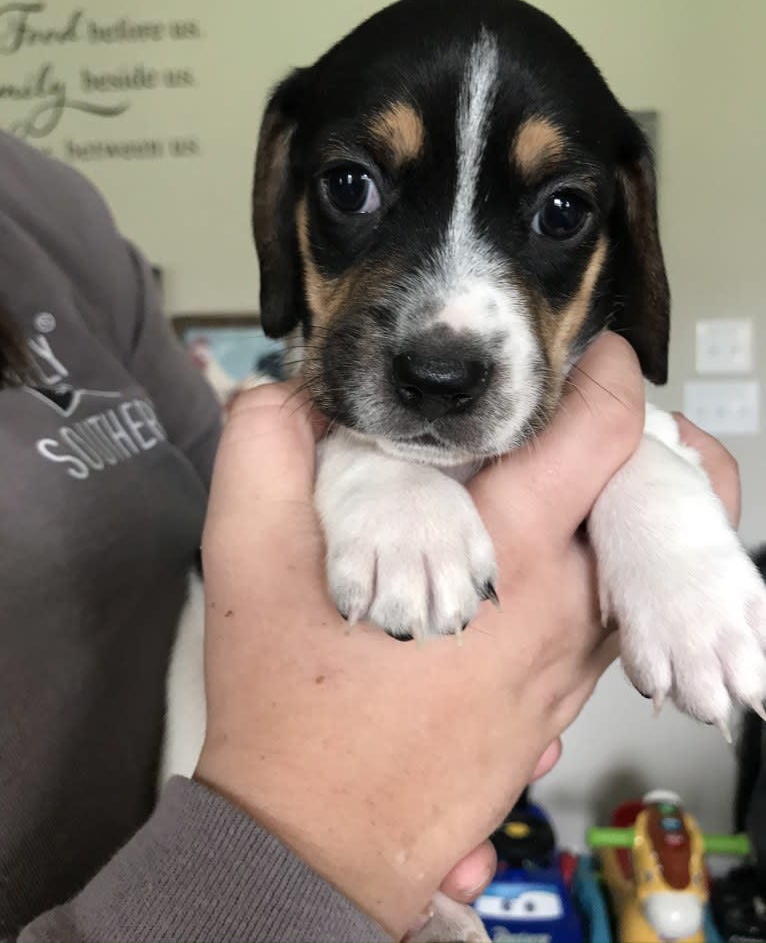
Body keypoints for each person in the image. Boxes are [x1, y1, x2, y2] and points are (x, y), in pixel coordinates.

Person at [0, 129, 740, 942]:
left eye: (561, 209)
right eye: (352, 188)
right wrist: (342, 844)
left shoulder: (48, 207)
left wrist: (658, 504)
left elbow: (253, 487)